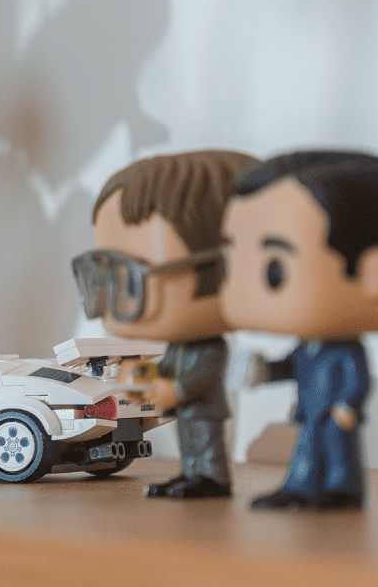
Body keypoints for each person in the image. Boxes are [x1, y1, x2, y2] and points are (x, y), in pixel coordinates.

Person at [221, 150, 378, 511]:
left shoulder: (344, 350)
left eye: (274, 270)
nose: (241, 293)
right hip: (312, 409)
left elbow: (357, 378)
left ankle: (342, 489)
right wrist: (266, 371)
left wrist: (347, 405)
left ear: (376, 276)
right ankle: (301, 487)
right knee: (308, 447)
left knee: (337, 450)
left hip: (336, 412)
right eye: (230, 266)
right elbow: (293, 367)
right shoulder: (308, 345)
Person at [72, 150, 256, 499]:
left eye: (128, 279)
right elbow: (169, 368)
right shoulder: (182, 346)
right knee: (190, 440)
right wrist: (144, 378)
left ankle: (211, 476)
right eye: (102, 273)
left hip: (201, 406)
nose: (113, 297)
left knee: (204, 439)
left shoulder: (209, 346)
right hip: (185, 405)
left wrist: (176, 391)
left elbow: (205, 375)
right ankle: (193, 472)